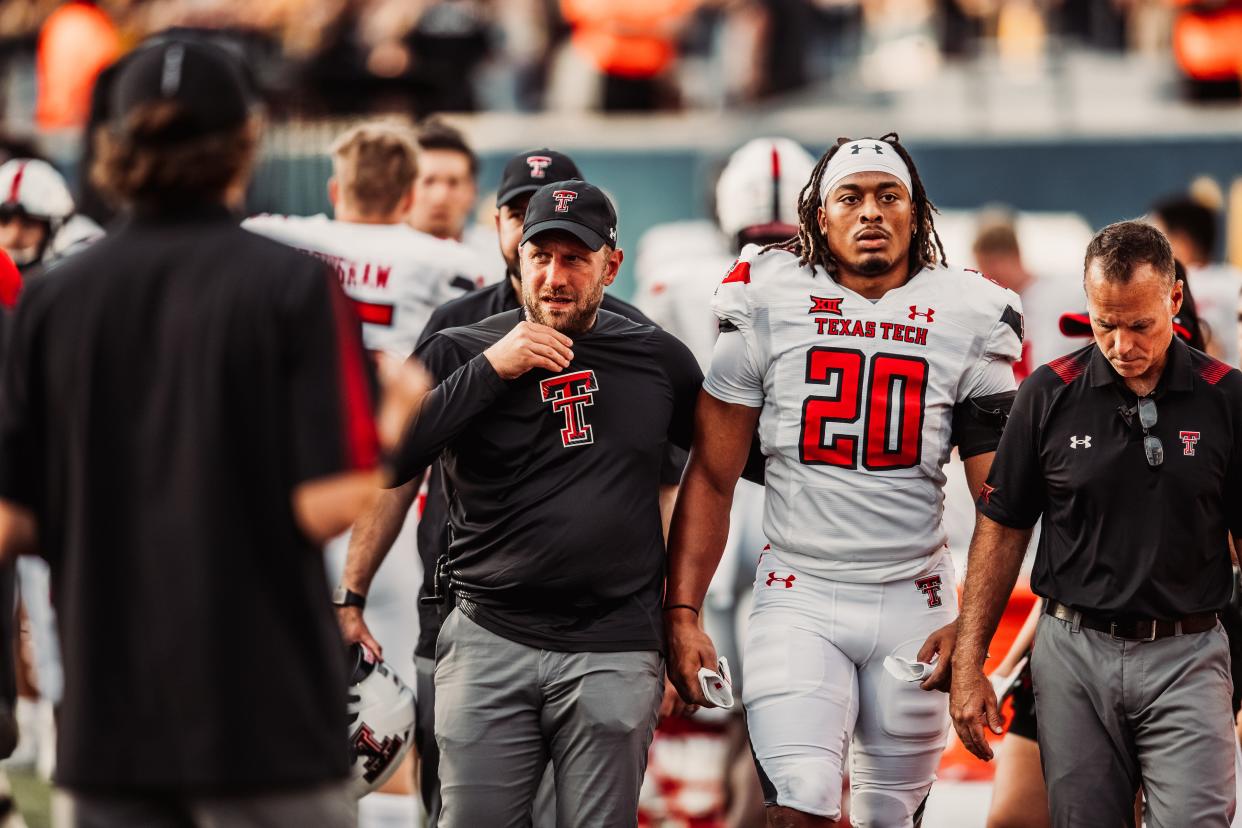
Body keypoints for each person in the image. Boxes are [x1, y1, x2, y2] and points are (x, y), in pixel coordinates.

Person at [0, 40, 426, 827]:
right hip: (262, 714)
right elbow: (327, 502)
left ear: (116, 145)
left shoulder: (54, 300)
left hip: (110, 712)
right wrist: (398, 418)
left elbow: (13, 518)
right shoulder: (290, 282)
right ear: (243, 141)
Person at [665, 133, 1025, 827]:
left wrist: (972, 633)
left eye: (889, 196)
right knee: (797, 804)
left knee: (891, 816)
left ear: (916, 215)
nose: (870, 212)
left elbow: (999, 503)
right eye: (850, 197)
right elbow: (710, 475)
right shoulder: (766, 297)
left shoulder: (968, 313)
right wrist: (682, 612)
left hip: (914, 598)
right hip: (798, 592)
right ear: (818, 218)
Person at [353, 179, 702, 827]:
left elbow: (711, 477)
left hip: (614, 644)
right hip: (489, 634)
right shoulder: (463, 346)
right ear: (517, 257)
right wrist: (492, 369)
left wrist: (681, 615)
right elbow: (391, 462)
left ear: (611, 265)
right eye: (541, 256)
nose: (555, 276)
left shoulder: (658, 357)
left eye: (575, 258)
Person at [951, 220, 1241, 828]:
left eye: (1139, 325)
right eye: (1105, 324)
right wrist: (970, 663)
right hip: (1073, 654)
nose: (1122, 344)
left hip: (1188, 652)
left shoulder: (1228, 399)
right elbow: (1002, 530)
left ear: (1174, 300)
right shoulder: (1048, 393)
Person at [244, 119, 481, 828]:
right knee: (390, 701)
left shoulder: (278, 237)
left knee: (274, 683)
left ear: (335, 187)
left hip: (299, 490)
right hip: (393, 496)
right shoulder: (449, 263)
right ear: (411, 194)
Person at [635, 136, 816, 828]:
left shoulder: (680, 279)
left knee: (746, 700)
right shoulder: (832, 290)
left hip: (711, 495)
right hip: (778, 498)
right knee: (769, 709)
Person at [408, 117, 505, 283]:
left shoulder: (500, 257)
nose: (441, 197)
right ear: (404, 188)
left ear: (473, 192)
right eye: (428, 181)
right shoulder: (379, 256)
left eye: (454, 183)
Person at [1150, 195, 1242, 367]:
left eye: (1155, 238)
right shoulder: (1236, 280)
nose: (1148, 249)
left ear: (1181, 241)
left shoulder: (1167, 287)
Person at [0, 158, 104, 277]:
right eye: (3, 222)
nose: (13, 237)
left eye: (28, 224)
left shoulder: (81, 257)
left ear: (54, 227)